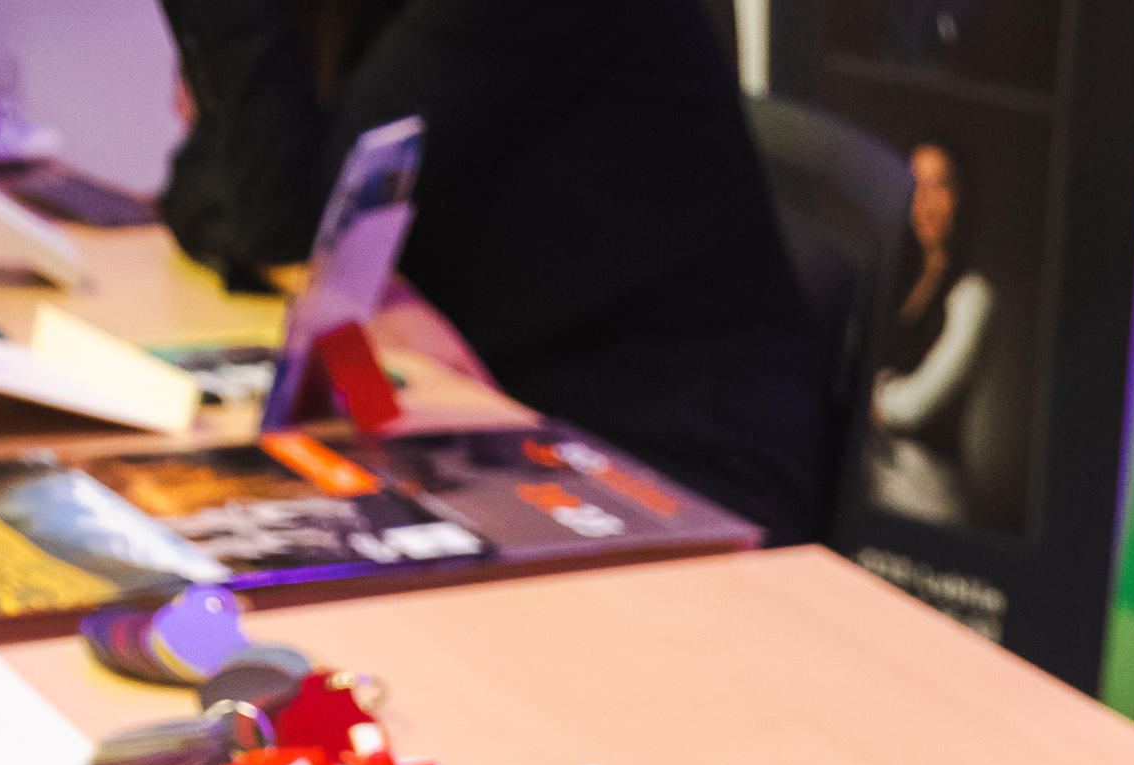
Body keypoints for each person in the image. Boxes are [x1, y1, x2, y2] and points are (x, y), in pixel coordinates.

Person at [158, 0, 829, 542]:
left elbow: (295, 220)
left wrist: (330, 266)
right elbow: (205, 193)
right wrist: (352, 280)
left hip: (664, 449)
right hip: (490, 416)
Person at [867, 142, 992, 529]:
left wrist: (865, 399)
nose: (926, 201)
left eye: (941, 185)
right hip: (875, 489)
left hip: (927, 500)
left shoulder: (973, 295)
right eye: (916, 186)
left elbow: (916, 403)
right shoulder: (895, 282)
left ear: (962, 196)